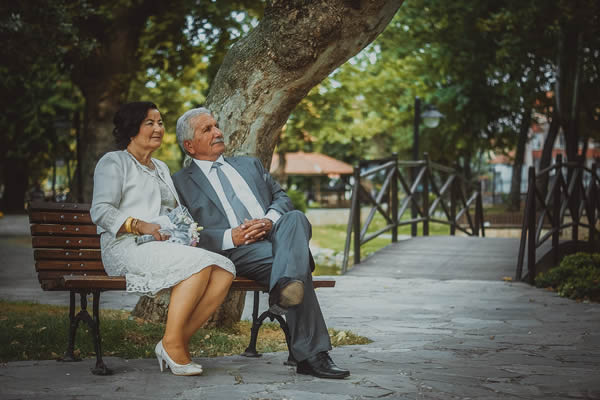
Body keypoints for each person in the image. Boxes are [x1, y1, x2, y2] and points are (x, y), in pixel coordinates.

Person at [172, 107, 350, 379]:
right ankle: (312, 355)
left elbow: (282, 198)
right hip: (236, 251)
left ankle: (284, 288)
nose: (218, 132)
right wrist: (230, 235)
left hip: (277, 236)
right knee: (296, 270)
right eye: (207, 130)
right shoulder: (180, 184)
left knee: (295, 217)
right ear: (189, 145)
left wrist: (268, 221)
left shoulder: (249, 165)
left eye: (216, 126)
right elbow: (183, 231)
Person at [90, 102, 236, 376]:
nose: (158, 128)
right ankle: (173, 345)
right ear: (132, 129)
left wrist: (183, 230)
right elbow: (100, 211)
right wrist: (139, 225)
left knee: (225, 270)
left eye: (160, 122)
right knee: (201, 265)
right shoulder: (114, 162)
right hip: (125, 247)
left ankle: (173, 341)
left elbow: (171, 210)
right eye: (150, 123)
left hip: (159, 246)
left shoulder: (160, 167)